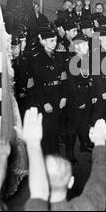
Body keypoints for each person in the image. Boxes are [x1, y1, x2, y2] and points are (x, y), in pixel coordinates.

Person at [30, 27, 67, 155]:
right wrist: (44, 102)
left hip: (58, 95)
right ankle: (45, 156)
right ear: (43, 41)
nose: (55, 43)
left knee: (56, 128)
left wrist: (63, 97)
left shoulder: (59, 56)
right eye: (51, 41)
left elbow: (64, 79)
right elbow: (37, 84)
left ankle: (55, 154)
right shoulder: (37, 58)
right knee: (46, 130)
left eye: (55, 40)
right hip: (46, 96)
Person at [65, 33, 96, 163]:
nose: (87, 46)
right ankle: (69, 153)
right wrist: (79, 101)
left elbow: (91, 79)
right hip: (76, 98)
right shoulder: (71, 61)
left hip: (87, 94)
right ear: (77, 47)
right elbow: (71, 85)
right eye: (83, 44)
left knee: (84, 122)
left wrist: (93, 95)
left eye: (87, 44)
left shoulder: (86, 59)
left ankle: (84, 145)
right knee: (73, 127)